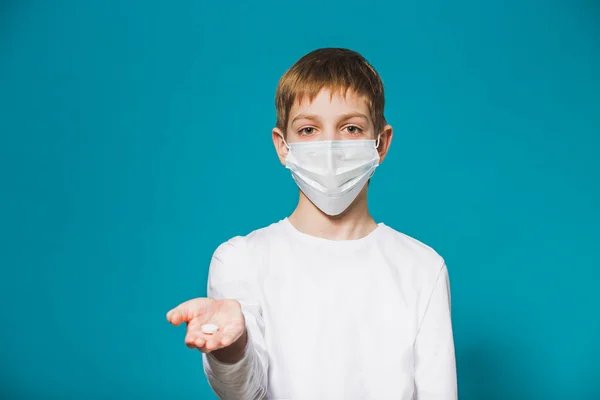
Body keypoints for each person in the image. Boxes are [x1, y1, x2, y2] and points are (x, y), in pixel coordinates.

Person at [166, 48, 457, 400]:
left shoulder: (422, 268)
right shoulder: (241, 259)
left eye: (351, 128)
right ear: (283, 146)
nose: (330, 147)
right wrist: (233, 347)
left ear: (381, 143)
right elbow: (243, 393)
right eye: (308, 129)